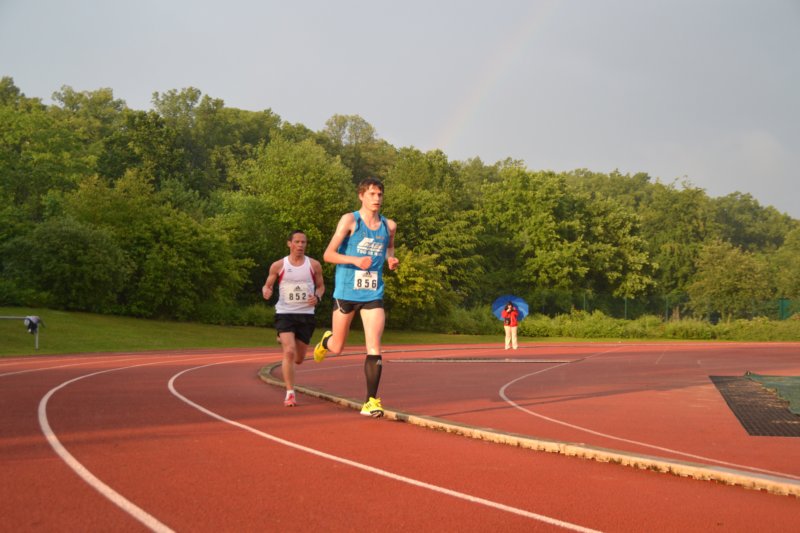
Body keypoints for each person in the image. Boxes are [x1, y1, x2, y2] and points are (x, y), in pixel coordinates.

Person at [313, 177, 399, 418]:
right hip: (346, 291)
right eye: (372, 194)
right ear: (361, 196)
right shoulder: (350, 220)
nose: (377, 199)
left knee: (374, 345)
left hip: (373, 292)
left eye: (380, 194)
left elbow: (389, 247)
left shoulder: (389, 226)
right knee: (338, 347)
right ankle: (326, 342)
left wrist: (391, 259)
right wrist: (355, 260)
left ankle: (370, 401)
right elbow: (328, 254)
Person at [262, 230, 325, 407]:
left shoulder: (314, 265)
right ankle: (290, 393)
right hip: (285, 313)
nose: (300, 245)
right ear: (289, 243)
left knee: (298, 359)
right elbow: (267, 286)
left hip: (306, 315)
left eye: (303, 242)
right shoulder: (278, 265)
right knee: (289, 351)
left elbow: (321, 287)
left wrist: (317, 297)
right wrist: (266, 291)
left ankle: (284, 338)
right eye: (297, 242)